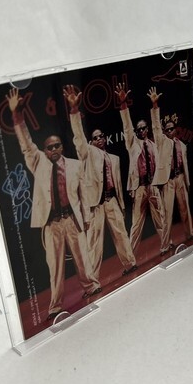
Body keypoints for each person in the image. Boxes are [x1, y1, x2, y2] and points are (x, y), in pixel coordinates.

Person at [6, 87, 101, 322]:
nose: (54, 149)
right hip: (52, 223)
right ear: (45, 151)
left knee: (83, 258)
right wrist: (17, 115)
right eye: (49, 147)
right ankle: (55, 306)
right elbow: (27, 144)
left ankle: (91, 286)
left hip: (73, 219)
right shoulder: (38, 163)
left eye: (57, 145)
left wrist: (86, 219)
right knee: (55, 266)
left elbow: (82, 195)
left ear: (62, 147)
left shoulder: (75, 166)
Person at [63, 85, 138, 280]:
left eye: (101, 136)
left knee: (121, 235)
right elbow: (79, 139)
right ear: (92, 141)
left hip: (112, 201)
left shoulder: (114, 159)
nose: (99, 139)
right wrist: (74, 110)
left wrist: (121, 205)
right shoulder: (88, 153)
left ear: (105, 139)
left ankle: (130, 264)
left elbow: (118, 185)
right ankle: (92, 280)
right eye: (95, 138)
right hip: (95, 205)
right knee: (94, 243)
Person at [114, 82, 170, 254]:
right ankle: (131, 256)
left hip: (153, 186)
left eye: (144, 128)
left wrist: (155, 105)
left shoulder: (154, 143)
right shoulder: (133, 144)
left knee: (160, 218)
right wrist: (123, 104)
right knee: (136, 223)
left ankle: (165, 246)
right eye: (139, 129)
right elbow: (127, 127)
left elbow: (157, 126)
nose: (142, 131)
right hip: (139, 188)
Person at [147, 87, 193, 247]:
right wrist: (155, 106)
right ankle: (165, 245)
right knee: (167, 214)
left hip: (180, 178)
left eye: (171, 128)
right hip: (168, 181)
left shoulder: (183, 145)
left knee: (185, 209)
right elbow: (155, 126)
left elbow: (185, 165)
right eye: (166, 129)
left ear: (175, 130)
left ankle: (190, 234)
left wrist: (187, 182)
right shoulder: (162, 142)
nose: (169, 131)